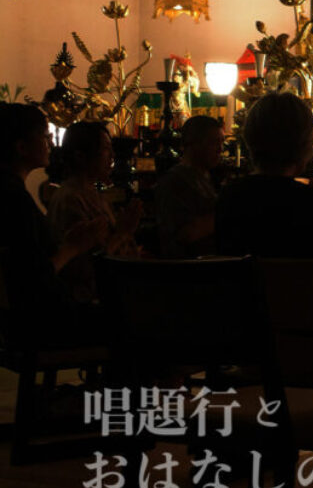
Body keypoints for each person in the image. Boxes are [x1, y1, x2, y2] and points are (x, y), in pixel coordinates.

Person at [215, 92, 313, 298]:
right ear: (305, 144)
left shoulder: (229, 197)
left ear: (250, 138)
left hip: (242, 323)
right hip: (303, 323)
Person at [0, 104, 106, 346]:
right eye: (44, 135)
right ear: (21, 146)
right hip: (40, 322)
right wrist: (72, 247)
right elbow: (33, 279)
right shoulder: (14, 199)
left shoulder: (10, 192)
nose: (50, 142)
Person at [47, 120, 142, 304]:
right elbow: (80, 267)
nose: (112, 156)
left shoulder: (93, 194)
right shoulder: (70, 198)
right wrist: (122, 234)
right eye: (106, 149)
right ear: (81, 156)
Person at [155, 115, 224, 258]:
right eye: (214, 142)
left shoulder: (206, 178)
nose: (220, 149)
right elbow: (185, 233)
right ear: (193, 143)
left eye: (221, 142)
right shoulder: (175, 181)